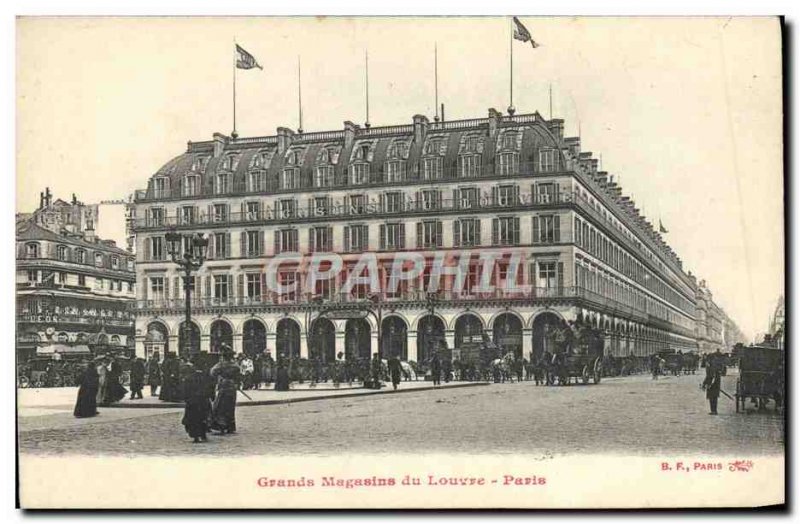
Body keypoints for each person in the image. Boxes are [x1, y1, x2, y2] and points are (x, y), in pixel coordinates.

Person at [209, 346, 241, 434]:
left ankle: (221, 425)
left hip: (224, 385)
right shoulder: (235, 365)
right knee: (230, 406)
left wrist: (220, 377)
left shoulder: (221, 364)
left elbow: (212, 372)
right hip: (232, 386)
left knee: (220, 406)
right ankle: (230, 426)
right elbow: (239, 374)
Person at [182, 359, 213, 443]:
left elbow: (185, 390)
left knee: (193, 419)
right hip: (203, 400)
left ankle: (195, 436)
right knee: (203, 417)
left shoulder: (189, 377)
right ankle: (203, 434)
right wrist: (210, 397)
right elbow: (210, 388)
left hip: (192, 401)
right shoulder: (206, 377)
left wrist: (186, 399)